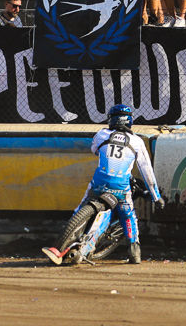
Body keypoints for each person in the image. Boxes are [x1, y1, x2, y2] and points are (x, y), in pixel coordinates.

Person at [42, 105, 160, 266]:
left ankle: (64, 238)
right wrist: (156, 196)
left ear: (111, 119)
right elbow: (147, 171)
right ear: (130, 121)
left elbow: (95, 151)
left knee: (81, 206)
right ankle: (135, 253)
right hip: (121, 187)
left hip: (99, 183)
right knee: (128, 215)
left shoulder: (101, 134)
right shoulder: (137, 141)